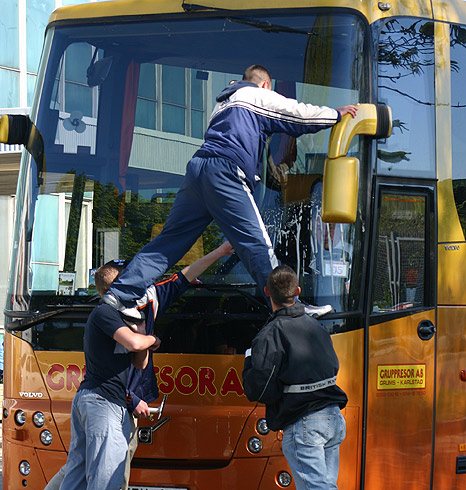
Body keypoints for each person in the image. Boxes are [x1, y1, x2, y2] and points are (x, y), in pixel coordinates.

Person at [104, 64, 358, 318]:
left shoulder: (222, 105)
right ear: (266, 85)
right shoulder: (255, 95)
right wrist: (335, 115)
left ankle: (120, 294)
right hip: (225, 171)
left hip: (197, 170)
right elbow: (297, 115)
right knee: (257, 244)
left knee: (169, 242)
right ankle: (292, 309)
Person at [44, 243, 234, 490]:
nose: (144, 284)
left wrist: (219, 252)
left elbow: (184, 278)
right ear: (122, 286)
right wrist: (151, 340)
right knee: (104, 481)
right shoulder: (106, 312)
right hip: (103, 405)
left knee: (76, 480)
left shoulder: (133, 311)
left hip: (97, 402)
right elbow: (136, 345)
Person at [242, 265, 348, 490]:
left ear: (267, 293)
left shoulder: (270, 333)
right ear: (298, 291)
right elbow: (332, 364)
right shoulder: (315, 327)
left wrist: (249, 362)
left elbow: (257, 387)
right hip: (332, 417)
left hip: (304, 424)